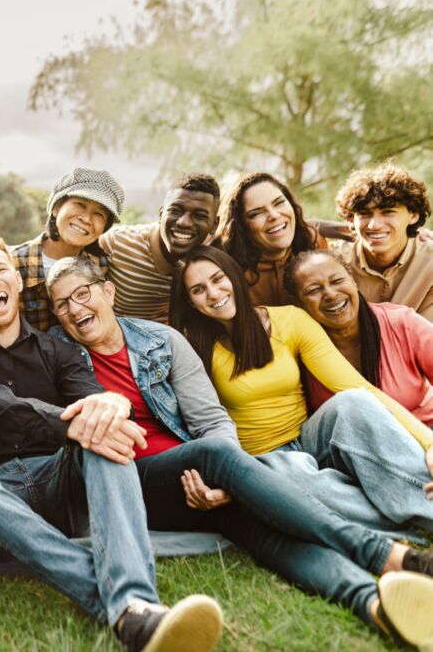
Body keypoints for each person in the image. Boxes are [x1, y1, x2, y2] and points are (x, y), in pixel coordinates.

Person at [45, 254, 433, 646]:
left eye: (82, 293)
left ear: (108, 292)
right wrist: (219, 462)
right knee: (212, 454)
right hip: (133, 479)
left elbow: (211, 420)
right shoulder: (56, 356)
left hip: (197, 477)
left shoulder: (161, 340)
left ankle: (374, 606)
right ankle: (387, 555)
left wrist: (223, 483)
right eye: (62, 304)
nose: (75, 309)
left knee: (268, 536)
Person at [0, 229, 224, 652]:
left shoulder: (59, 351)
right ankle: (118, 603)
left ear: (17, 281)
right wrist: (69, 424)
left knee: (105, 436)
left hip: (59, 482)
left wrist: (110, 409)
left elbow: (95, 402)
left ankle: (135, 604)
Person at [169, 246, 433, 531]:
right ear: (191, 302)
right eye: (198, 290)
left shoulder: (290, 320)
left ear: (234, 276)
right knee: (297, 478)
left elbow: (357, 386)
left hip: (309, 439)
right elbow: (197, 423)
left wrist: (429, 443)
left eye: (218, 278)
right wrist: (232, 479)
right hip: (261, 461)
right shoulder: (190, 346)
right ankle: (395, 526)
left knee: (353, 401)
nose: (213, 293)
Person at [286, 249, 433, 427]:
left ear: (354, 282)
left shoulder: (402, 323)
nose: (331, 294)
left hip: (424, 434)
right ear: (299, 303)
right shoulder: (295, 350)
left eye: (337, 281)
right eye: (314, 290)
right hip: (351, 448)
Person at [11, 167, 124, 331]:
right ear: (56, 208)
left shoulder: (101, 266)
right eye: (80, 204)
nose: (86, 218)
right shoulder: (13, 263)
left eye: (99, 214)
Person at [98, 173, 219, 323]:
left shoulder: (213, 263)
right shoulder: (117, 243)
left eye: (199, 215)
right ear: (161, 214)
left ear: (214, 225)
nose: (184, 223)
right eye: (175, 210)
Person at [330, 162, 433, 322]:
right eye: (364, 214)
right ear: (351, 219)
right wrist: (319, 226)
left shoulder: (429, 262)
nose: (374, 225)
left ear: (413, 215)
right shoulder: (334, 262)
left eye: (388, 212)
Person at [216, 172, 327, 306]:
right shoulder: (224, 267)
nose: (274, 215)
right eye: (256, 213)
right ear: (240, 226)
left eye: (279, 202)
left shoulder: (313, 243)